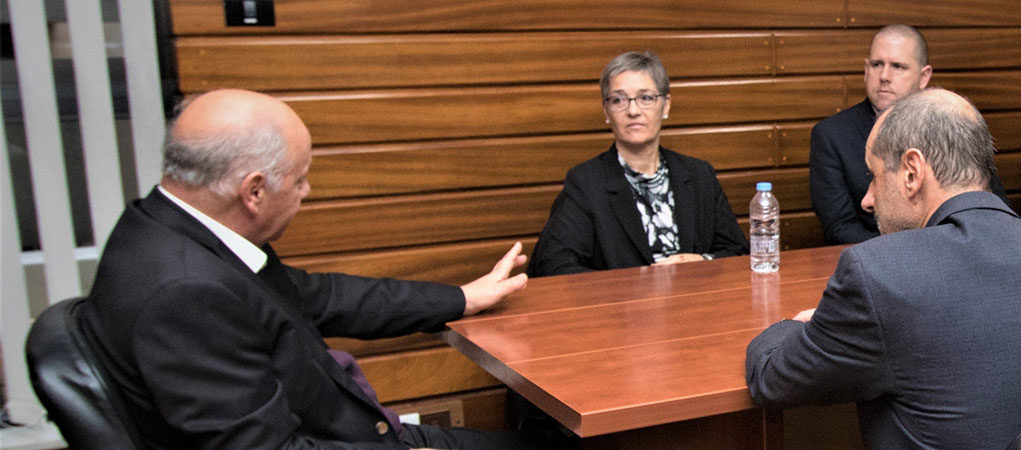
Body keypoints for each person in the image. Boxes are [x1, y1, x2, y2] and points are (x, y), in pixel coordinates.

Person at [78, 89, 547, 449]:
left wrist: (462, 298)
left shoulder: (161, 226)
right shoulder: (186, 293)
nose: (306, 192)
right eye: (299, 179)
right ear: (253, 191)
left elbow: (319, 296)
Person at [745, 88, 1021, 450]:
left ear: (912, 172)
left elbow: (772, 379)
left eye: (874, 176)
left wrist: (801, 325)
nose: (868, 199)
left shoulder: (879, 275)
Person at [528, 51, 747, 276]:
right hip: (619, 299)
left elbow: (739, 253)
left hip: (694, 296)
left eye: (646, 98)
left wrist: (701, 261)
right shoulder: (585, 182)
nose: (633, 111)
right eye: (619, 100)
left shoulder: (699, 174)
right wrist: (633, 286)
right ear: (606, 111)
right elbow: (554, 266)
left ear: (666, 105)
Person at [809, 24, 1007, 245]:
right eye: (876, 65)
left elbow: (992, 204)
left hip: (960, 250)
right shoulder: (832, 134)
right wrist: (914, 251)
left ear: (924, 76)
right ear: (866, 70)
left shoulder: (952, 124)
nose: (884, 76)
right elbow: (840, 229)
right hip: (879, 255)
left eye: (898, 66)